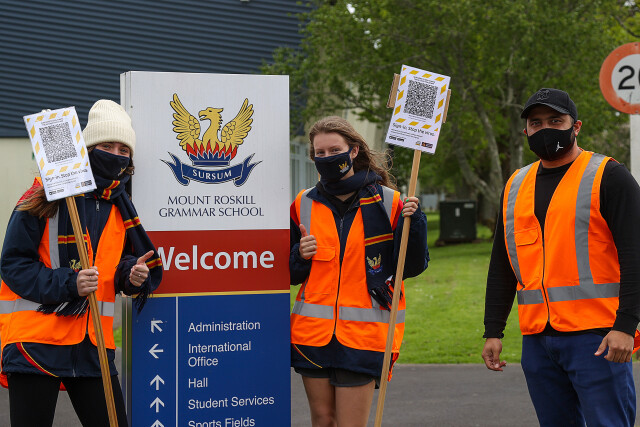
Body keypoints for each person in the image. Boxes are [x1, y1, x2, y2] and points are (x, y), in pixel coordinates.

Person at [481, 88, 640, 426]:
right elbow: (502, 265)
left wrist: (626, 326)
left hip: (598, 337)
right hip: (538, 342)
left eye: (556, 121)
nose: (545, 129)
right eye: (536, 123)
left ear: (576, 126)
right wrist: (493, 330)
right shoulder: (515, 185)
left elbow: (636, 254)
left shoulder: (609, 176)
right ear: (526, 130)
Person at [0, 99, 163, 426]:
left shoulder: (120, 204)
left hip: (93, 345)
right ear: (87, 148)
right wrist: (69, 282)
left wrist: (130, 275)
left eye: (123, 149)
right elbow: (13, 264)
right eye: (106, 146)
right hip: (37, 342)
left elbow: (110, 264)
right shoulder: (43, 196)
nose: (115, 154)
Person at [290, 116, 429, 427]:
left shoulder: (390, 202)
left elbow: (411, 266)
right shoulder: (303, 204)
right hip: (312, 336)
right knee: (322, 420)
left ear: (353, 151)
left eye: (334, 150)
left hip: (365, 338)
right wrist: (300, 255)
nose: (327, 157)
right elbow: (289, 274)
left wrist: (416, 223)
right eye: (320, 153)